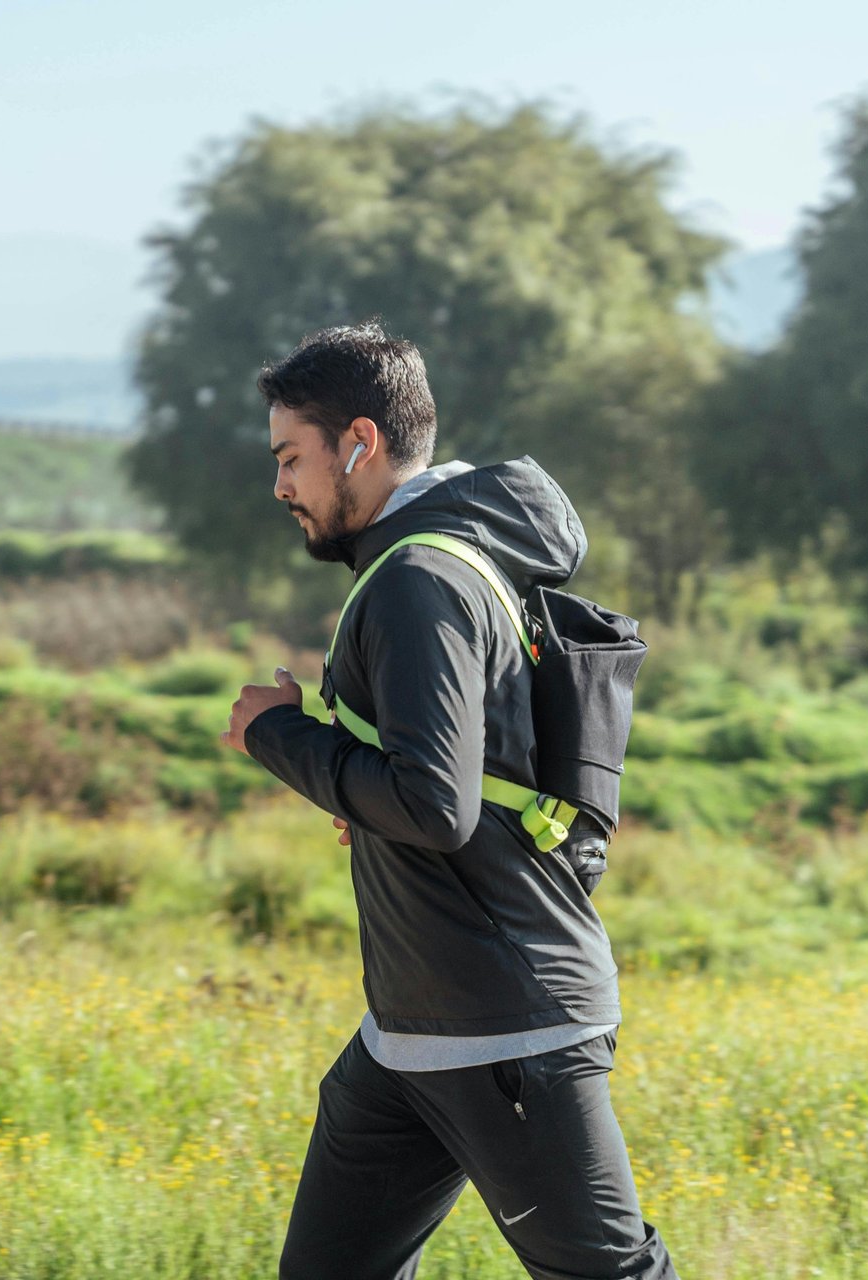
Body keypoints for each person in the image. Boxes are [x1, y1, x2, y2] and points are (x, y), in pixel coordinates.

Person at [219, 322, 679, 1280]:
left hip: (505, 1027)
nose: (281, 487)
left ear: (361, 442)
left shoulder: (419, 579)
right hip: (412, 1033)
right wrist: (348, 775)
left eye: (291, 458)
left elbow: (436, 807)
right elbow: (442, 779)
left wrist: (278, 734)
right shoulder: (436, 561)